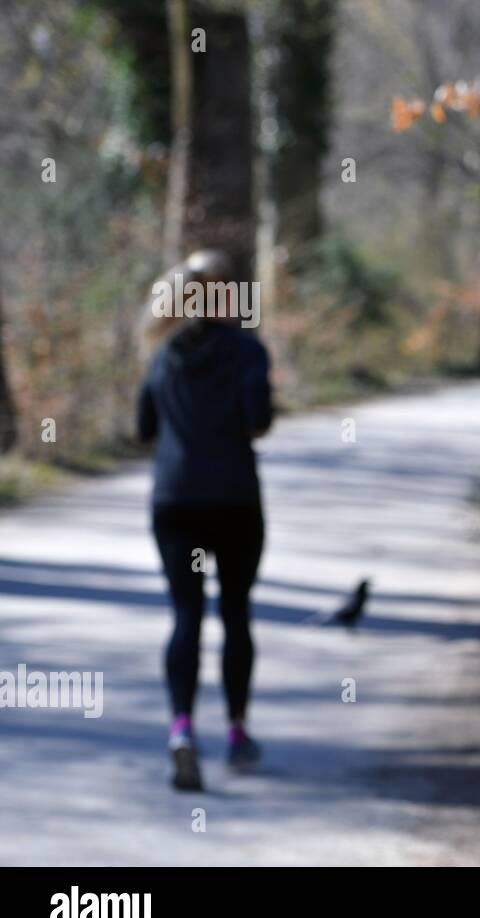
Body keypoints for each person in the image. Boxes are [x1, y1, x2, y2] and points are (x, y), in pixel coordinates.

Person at [136, 249, 272, 791]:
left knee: (185, 614)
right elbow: (258, 421)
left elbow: (144, 429)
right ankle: (237, 732)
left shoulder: (161, 355)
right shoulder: (247, 352)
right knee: (235, 613)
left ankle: (181, 730)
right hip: (235, 499)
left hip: (175, 501)